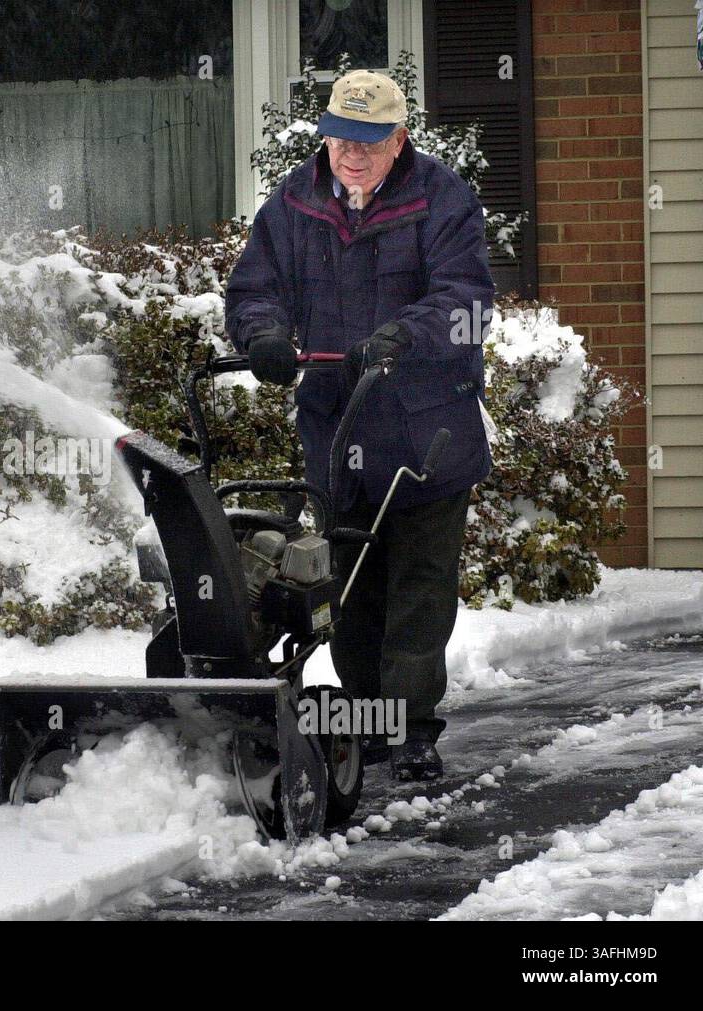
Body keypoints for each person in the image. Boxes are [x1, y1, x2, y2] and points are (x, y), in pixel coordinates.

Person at [224, 69, 494, 781]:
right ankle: (366, 721)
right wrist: (264, 336)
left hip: (427, 432)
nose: (350, 153)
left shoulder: (442, 198)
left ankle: (413, 731)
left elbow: (466, 298)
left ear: (399, 140)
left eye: (368, 142)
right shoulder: (295, 201)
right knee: (350, 588)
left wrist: (406, 335)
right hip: (337, 430)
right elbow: (256, 285)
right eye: (340, 137)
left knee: (419, 587)